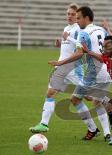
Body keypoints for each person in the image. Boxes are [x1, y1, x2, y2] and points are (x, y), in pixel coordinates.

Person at [48, 6, 112, 141]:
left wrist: (61, 62)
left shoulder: (84, 33)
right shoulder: (101, 30)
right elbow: (111, 47)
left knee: (75, 99)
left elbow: (78, 54)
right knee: (96, 101)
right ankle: (107, 134)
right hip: (106, 72)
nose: (77, 21)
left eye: (78, 18)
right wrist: (108, 29)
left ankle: (93, 130)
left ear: (86, 18)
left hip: (93, 73)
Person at [29, 3, 88, 133]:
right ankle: (44, 124)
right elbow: (68, 46)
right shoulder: (66, 28)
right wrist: (60, 43)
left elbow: (82, 47)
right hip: (61, 67)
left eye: (73, 14)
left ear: (77, 15)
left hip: (73, 69)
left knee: (91, 96)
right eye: (68, 14)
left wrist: (68, 38)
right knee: (50, 92)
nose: (70, 16)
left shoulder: (79, 29)